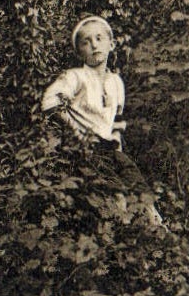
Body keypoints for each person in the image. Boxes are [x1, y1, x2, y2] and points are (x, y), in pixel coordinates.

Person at [42, 16, 166, 227]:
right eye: (86, 42)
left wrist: (117, 139)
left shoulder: (115, 81)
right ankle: (122, 231)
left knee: (138, 185)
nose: (94, 45)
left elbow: (115, 118)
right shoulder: (75, 77)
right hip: (86, 149)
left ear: (112, 44)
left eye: (99, 38)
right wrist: (75, 131)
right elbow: (50, 103)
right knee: (116, 193)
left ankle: (156, 227)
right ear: (79, 52)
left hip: (110, 148)